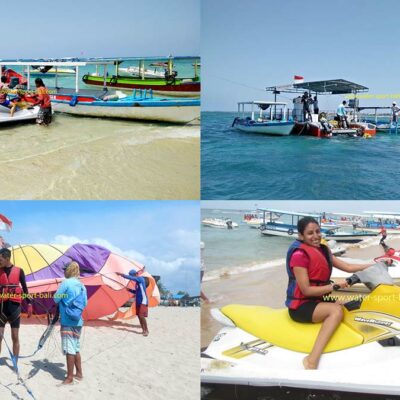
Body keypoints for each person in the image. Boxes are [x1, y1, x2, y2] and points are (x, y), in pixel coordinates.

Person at [286, 217, 372, 370]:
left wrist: (373, 265)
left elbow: (347, 266)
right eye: (310, 233)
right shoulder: (299, 256)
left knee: (350, 305)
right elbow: (306, 290)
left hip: (318, 298)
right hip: (301, 305)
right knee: (335, 311)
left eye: (318, 231)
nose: (316, 236)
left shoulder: (323, 250)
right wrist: (334, 286)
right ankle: (312, 360)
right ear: (301, 236)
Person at [54, 261, 87, 385]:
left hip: (67, 320)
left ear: (68, 270)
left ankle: (69, 378)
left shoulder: (66, 283)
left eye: (65, 269)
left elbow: (56, 298)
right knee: (76, 348)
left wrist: (62, 297)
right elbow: (85, 303)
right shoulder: (82, 285)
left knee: (69, 349)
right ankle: (79, 373)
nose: (63, 271)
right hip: (78, 321)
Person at [0, 248, 32, 365]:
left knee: (15, 337)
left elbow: (24, 288)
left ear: (7, 258)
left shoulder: (19, 271)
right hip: (1, 309)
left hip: (14, 309)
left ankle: (15, 362)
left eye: (1, 259)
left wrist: (29, 303)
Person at [116, 269, 150, 336]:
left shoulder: (140, 279)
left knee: (141, 315)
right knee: (139, 316)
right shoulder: (137, 283)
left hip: (143, 301)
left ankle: (146, 330)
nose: (132, 278)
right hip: (138, 301)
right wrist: (129, 290)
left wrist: (121, 274)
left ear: (136, 274)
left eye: (133, 276)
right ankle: (143, 330)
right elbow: (136, 292)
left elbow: (131, 278)